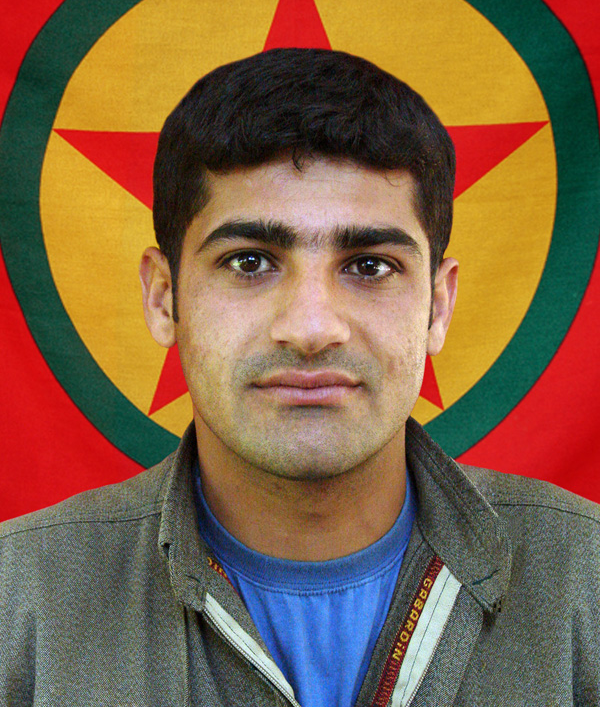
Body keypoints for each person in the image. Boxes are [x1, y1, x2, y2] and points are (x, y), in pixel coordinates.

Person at [1, 48, 598, 707]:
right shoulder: (18, 597)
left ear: (438, 306)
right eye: (249, 262)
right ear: (164, 298)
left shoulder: (586, 576)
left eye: (369, 266)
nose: (312, 328)